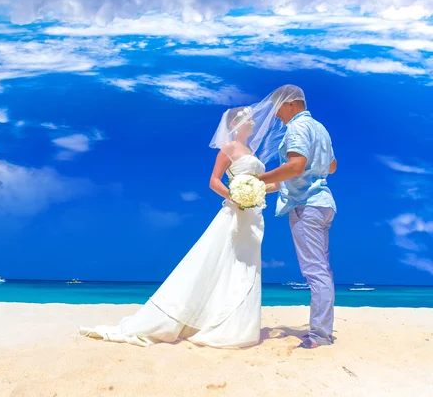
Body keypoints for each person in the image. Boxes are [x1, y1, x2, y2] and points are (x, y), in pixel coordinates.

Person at [79, 88, 297, 348]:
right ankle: (195, 319)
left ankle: (232, 322)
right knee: (215, 262)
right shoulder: (228, 147)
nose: (253, 121)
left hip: (251, 215)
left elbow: (259, 183)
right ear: (237, 123)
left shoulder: (250, 150)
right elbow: (213, 181)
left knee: (242, 267)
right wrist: (235, 196)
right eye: (248, 118)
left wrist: (282, 185)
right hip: (234, 213)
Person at [257, 85, 337, 349]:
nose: (276, 115)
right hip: (323, 204)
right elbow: (332, 166)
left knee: (315, 272)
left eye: (277, 108)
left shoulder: (297, 127)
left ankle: (320, 337)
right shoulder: (321, 128)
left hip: (308, 206)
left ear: (291, 104)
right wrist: (268, 187)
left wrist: (256, 179)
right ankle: (322, 331)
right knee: (322, 270)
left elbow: (295, 166)